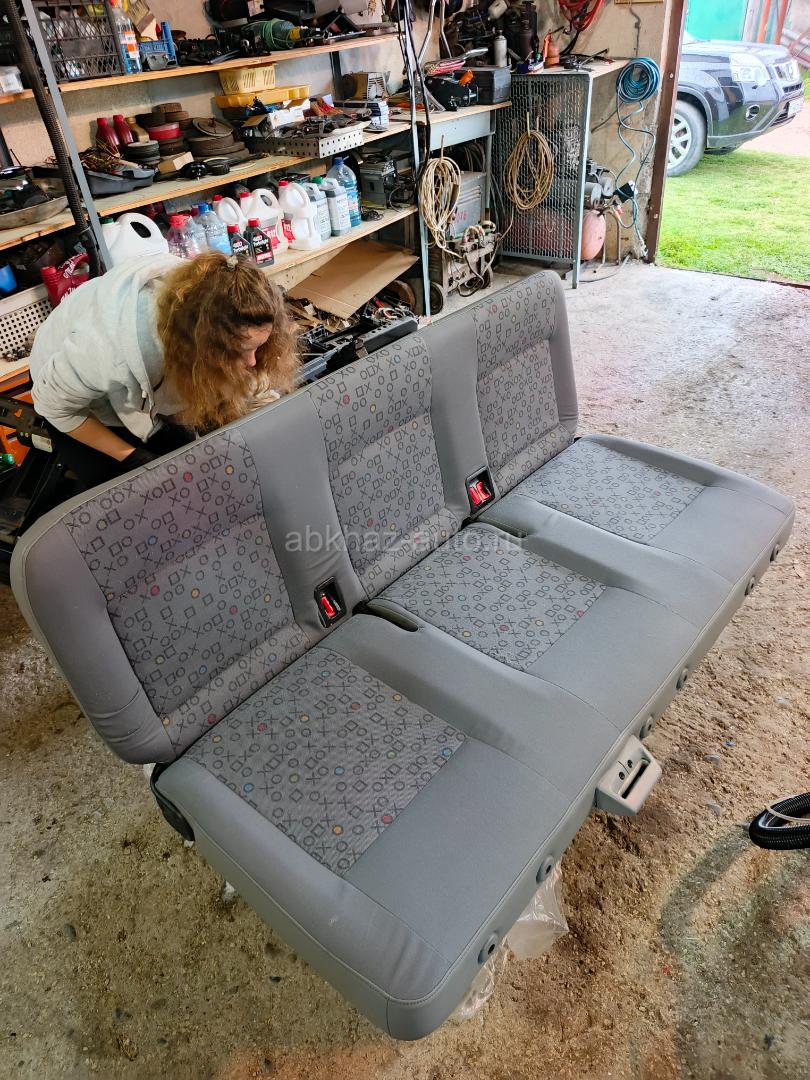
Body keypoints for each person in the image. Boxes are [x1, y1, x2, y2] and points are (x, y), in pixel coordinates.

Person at [28, 251, 299, 488]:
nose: (252, 362)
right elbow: (54, 407)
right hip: (67, 393)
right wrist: (131, 457)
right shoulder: (107, 351)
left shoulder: (218, 305)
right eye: (239, 352)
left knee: (187, 453)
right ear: (203, 346)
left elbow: (249, 386)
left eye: (257, 347)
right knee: (127, 491)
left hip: (155, 370)